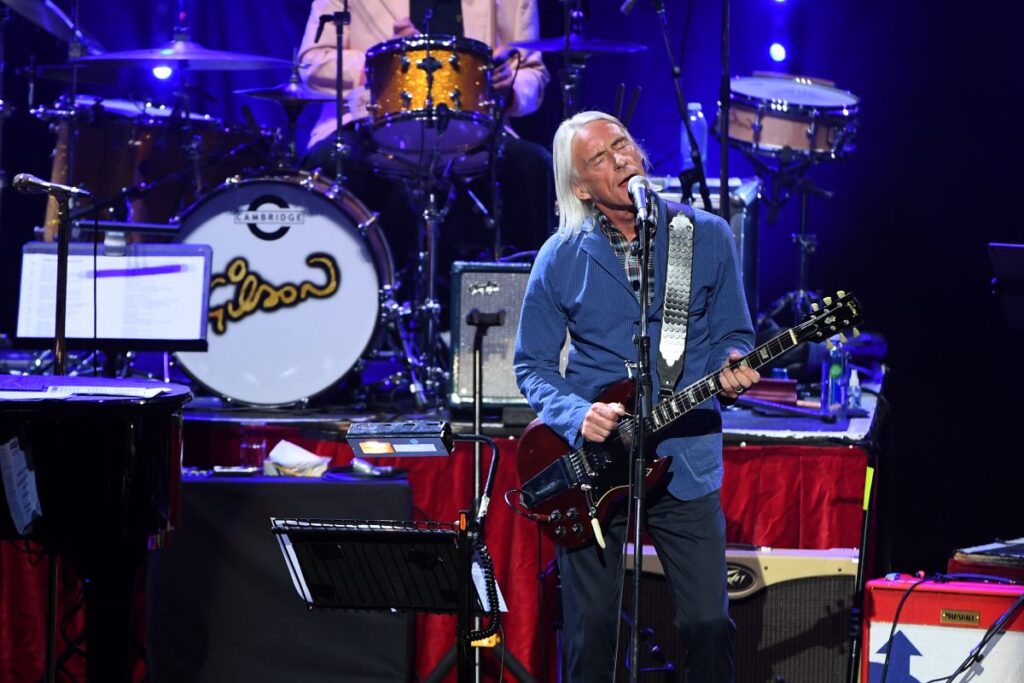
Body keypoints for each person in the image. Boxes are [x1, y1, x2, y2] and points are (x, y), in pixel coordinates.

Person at [513, 110, 761, 682]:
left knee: (705, 622)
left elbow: (734, 335)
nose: (620, 159)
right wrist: (579, 416)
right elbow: (531, 365)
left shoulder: (704, 235)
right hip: (594, 467)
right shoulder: (560, 255)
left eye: (622, 144)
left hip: (686, 458)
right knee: (591, 631)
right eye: (599, 158)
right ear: (580, 186)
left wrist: (732, 363)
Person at [297, 0, 554, 274]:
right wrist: (381, 63)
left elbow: (532, 72)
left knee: (533, 164)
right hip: (370, 121)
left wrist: (510, 83)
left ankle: (532, 303)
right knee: (330, 160)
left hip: (474, 130)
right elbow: (311, 62)